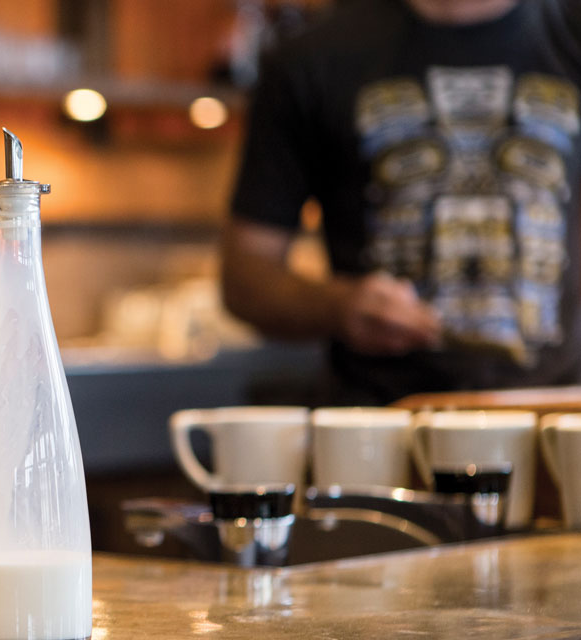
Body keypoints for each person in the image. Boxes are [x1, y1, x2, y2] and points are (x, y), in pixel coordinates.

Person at [221, 0, 581, 406]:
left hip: (558, 421)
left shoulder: (570, 37)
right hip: (378, 429)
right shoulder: (310, 57)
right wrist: (338, 305)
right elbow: (245, 278)